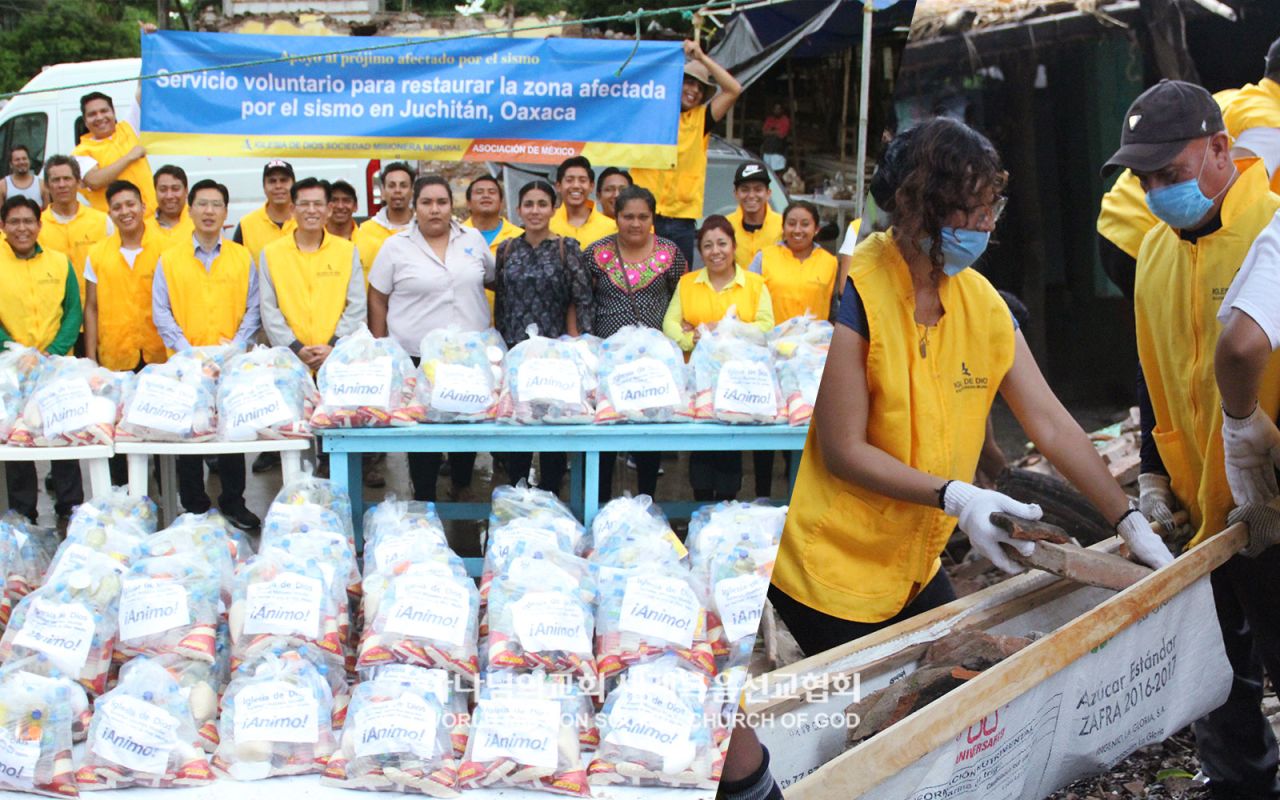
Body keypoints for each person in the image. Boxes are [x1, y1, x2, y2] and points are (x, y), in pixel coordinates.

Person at [768, 117, 1172, 659]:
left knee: (954, 675)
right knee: (885, 702)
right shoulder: (854, 295)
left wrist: (1127, 519)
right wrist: (957, 497)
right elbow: (844, 451)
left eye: (992, 208)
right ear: (922, 207)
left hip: (914, 559)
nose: (987, 224)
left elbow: (1052, 424)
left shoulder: (982, 304)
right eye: (973, 210)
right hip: (830, 568)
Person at [1098, 79, 1280, 800]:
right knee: (1215, 678)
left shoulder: (1269, 229)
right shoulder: (1154, 251)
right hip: (1199, 509)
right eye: (1143, 179)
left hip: (1269, 504)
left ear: (1220, 149)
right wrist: (1150, 473)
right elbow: (1155, 372)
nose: (1155, 191)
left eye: (1168, 172)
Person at [368, 175, 494, 503]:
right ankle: (424, 497)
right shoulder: (396, 246)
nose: (434, 209)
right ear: (415, 207)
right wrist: (380, 349)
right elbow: (377, 296)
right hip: (415, 355)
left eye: (441, 202)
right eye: (426, 202)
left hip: (466, 355)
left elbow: (493, 279)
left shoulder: (473, 239)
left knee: (465, 424)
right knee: (422, 432)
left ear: (452, 206)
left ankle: (461, 484)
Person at [152, 178, 261, 531]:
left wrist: (235, 349)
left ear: (226, 213)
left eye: (216, 204)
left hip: (231, 363)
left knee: (231, 432)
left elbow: (253, 307)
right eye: (202, 204)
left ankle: (234, 502)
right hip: (186, 365)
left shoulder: (241, 257)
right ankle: (195, 506)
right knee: (190, 433)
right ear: (190, 210)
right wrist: (188, 352)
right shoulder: (170, 259)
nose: (209, 211)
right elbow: (161, 311)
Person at [584, 185, 687, 500]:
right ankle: (601, 505)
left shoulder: (670, 253)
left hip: (653, 364)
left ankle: (647, 502)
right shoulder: (596, 254)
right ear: (616, 217)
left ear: (653, 218)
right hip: (607, 361)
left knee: (647, 437)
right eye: (628, 216)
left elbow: (682, 297)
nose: (635, 223)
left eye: (643, 216)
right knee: (604, 436)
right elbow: (584, 301)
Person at [260, 178, 366, 476]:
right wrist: (295, 348)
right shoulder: (272, 253)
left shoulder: (346, 251)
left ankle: (338, 491)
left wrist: (333, 346)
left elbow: (356, 304)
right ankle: (297, 494)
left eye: (318, 204)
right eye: (304, 204)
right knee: (295, 441)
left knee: (337, 438)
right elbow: (269, 308)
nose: (311, 210)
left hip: (336, 360)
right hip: (291, 361)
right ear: (292, 209)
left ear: (329, 209)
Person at [493, 180, 594, 495]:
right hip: (516, 351)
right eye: (528, 204)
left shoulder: (567, 248)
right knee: (517, 431)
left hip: (555, 355)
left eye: (542, 204)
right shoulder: (507, 249)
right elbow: (501, 301)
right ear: (518, 210)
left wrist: (576, 345)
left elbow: (582, 299)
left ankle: (552, 497)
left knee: (553, 430)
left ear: (553, 209)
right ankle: (517, 496)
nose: (535, 211)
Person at [664, 215, 774, 501]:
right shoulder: (688, 283)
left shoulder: (754, 284)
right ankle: (700, 507)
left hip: (740, 382)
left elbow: (766, 328)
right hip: (698, 381)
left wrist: (728, 329)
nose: (716, 251)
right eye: (708, 245)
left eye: (722, 244)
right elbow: (670, 324)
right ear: (700, 251)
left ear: (734, 246)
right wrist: (692, 338)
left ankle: (727, 506)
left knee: (729, 447)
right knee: (701, 446)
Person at [0, 196, 83, 523]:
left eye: (28, 221)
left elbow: (73, 310)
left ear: (39, 225)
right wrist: (13, 351)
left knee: (64, 435)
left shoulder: (60, 262)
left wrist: (55, 351)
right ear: (3, 226)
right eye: (14, 222)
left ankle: (70, 507)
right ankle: (24, 513)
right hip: (12, 369)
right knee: (18, 439)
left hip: (56, 366)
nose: (22, 228)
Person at [748, 200, 838, 497]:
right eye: (792, 223)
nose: (797, 230)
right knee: (765, 421)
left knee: (803, 426)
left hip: (811, 359)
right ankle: (762, 493)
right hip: (769, 354)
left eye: (805, 224)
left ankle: (796, 496)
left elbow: (835, 308)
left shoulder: (829, 262)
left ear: (816, 228)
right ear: (783, 226)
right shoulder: (765, 257)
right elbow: (750, 299)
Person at [84, 179, 167, 485]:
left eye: (130, 204)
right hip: (115, 355)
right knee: (117, 430)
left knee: (160, 428)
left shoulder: (166, 249)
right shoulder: (97, 254)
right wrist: (91, 358)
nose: (125, 211)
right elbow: (91, 307)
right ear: (110, 213)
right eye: (117, 207)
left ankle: (165, 491)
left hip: (158, 355)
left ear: (143, 207)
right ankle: (121, 494)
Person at [631, 40, 741, 265]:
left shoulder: (702, 119)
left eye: (700, 88)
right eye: (689, 83)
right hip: (645, 215)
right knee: (641, 277)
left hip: (682, 220)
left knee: (679, 281)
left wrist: (702, 58)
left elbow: (734, 89)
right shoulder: (651, 110)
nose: (694, 91)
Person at [38, 155, 112, 311]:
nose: (62, 185)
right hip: (54, 315)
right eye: (55, 180)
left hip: (98, 311)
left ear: (78, 182)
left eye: (67, 179)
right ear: (46, 185)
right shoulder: (37, 226)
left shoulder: (102, 221)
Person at [72, 91, 155, 214]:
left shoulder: (128, 128)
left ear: (113, 113)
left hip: (151, 217)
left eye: (104, 111)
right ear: (85, 121)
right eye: (92, 114)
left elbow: (142, 89)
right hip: (117, 222)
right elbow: (94, 181)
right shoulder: (80, 152)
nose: (100, 117)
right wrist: (129, 157)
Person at [357, 161, 416, 278]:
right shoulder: (365, 231)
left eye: (403, 185)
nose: (397, 190)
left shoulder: (423, 229)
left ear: (412, 192)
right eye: (391, 185)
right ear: (383, 192)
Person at [234, 160, 296, 267]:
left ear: (294, 185)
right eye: (272, 181)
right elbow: (236, 267)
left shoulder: (306, 221)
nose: (278, 186)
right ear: (264, 187)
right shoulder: (246, 225)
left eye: (284, 180)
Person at [727, 162, 783, 271]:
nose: (751, 195)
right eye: (745, 190)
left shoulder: (784, 226)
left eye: (758, 189)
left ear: (768, 193)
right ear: (736, 194)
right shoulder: (725, 226)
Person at [549, 156, 616, 247]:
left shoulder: (612, 228)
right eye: (569, 180)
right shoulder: (547, 223)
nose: (576, 185)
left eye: (582, 180)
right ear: (558, 186)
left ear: (591, 186)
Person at [462, 175, 523, 253]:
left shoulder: (518, 236)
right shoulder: (456, 235)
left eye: (492, 192)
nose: (486, 196)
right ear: (468, 204)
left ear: (501, 203)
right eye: (479, 192)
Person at [147, 164, 194, 253]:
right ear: (155, 192)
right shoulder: (143, 228)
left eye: (175, 189)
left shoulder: (199, 222)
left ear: (186, 191)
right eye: (163, 189)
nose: (169, 196)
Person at [761, 102, 791, 169]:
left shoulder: (785, 120)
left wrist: (770, 131)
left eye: (778, 109)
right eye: (775, 109)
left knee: (777, 172)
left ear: (782, 110)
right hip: (767, 151)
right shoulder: (769, 119)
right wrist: (775, 131)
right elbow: (764, 132)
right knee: (767, 171)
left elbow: (781, 135)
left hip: (778, 152)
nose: (777, 111)